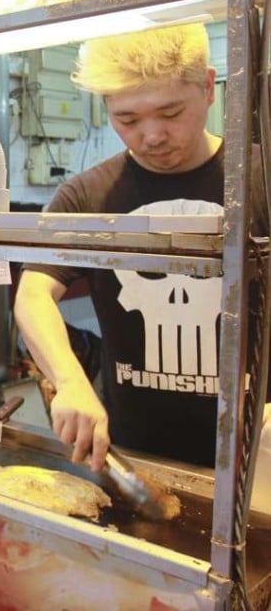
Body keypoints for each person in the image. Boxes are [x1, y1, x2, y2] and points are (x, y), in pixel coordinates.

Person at [14, 23, 266, 472]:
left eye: (170, 113)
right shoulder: (88, 197)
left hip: (256, 465)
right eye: (127, 119)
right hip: (134, 458)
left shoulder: (259, 182)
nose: (151, 136)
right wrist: (70, 380)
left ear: (208, 87)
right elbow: (33, 295)